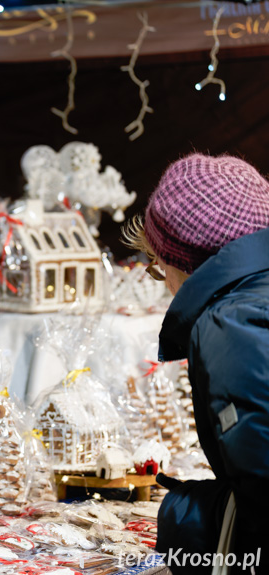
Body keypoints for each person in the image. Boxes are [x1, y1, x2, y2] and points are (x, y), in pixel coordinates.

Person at [123, 153, 269, 572]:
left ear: (183, 263)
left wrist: (187, 519)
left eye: (157, 267)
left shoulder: (234, 323)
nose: (164, 285)